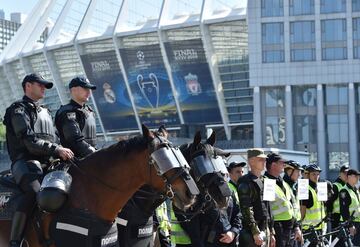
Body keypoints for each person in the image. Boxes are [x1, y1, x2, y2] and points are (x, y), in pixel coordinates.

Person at [3, 73, 74, 247]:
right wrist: (56, 149)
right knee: (35, 193)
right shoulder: (18, 110)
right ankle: (16, 241)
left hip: (50, 165)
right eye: (40, 85)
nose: (44, 88)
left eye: (45, 86)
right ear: (28, 86)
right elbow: (29, 141)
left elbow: (56, 140)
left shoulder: (46, 112)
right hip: (25, 163)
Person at [238, 148, 276, 247]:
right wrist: (255, 232)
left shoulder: (266, 181)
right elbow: (246, 209)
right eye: (261, 159)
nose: (264, 162)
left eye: (264, 159)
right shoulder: (245, 182)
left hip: (265, 228)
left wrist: (271, 230)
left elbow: (268, 207)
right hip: (252, 232)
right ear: (251, 161)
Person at [264, 154, 302, 247]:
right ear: (273, 165)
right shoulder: (267, 182)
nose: (284, 165)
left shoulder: (284, 183)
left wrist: (296, 227)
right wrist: (270, 231)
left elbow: (292, 205)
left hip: (289, 227)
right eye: (281, 163)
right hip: (277, 227)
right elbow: (266, 209)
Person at [55, 76, 97, 159]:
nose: (89, 91)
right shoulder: (67, 112)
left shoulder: (89, 110)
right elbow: (74, 140)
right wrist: (95, 154)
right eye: (85, 88)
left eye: (89, 89)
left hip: (91, 158)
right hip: (75, 162)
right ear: (73, 90)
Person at [300, 164, 326, 247]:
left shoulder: (319, 187)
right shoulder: (304, 188)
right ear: (307, 175)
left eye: (318, 174)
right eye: (313, 174)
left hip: (320, 227)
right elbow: (302, 210)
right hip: (308, 229)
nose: (316, 176)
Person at [339, 169, 360, 246]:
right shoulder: (344, 191)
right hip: (350, 223)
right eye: (356, 176)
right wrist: (350, 226)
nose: (358, 178)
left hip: (357, 222)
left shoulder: (355, 190)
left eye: (358, 176)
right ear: (349, 177)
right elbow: (344, 210)